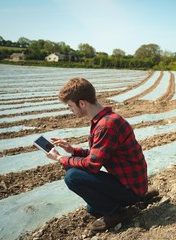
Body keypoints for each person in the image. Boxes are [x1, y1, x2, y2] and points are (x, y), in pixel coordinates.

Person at [46, 77, 158, 231]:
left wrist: (60, 158)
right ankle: (137, 198)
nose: (70, 110)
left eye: (70, 106)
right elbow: (98, 154)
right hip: (132, 183)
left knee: (72, 176)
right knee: (92, 209)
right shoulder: (105, 120)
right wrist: (72, 151)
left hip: (130, 187)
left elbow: (92, 165)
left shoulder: (106, 126)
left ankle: (118, 213)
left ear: (82, 103)